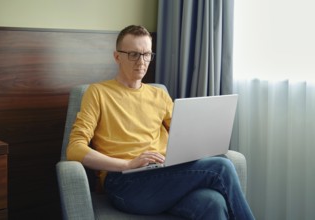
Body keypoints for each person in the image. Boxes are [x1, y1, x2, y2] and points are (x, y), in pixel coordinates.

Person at [67, 25, 255, 220]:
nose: (141, 62)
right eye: (133, 54)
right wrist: (129, 164)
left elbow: (186, 135)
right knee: (222, 167)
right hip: (124, 182)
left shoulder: (159, 95)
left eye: (146, 54)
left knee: (212, 202)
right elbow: (75, 149)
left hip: (163, 175)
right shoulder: (97, 93)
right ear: (117, 57)